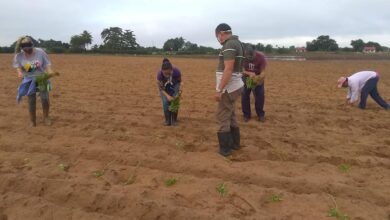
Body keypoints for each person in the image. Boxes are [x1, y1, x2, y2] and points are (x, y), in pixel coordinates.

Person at [214, 23, 244, 156]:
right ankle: (235, 144)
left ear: (221, 33)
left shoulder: (229, 45)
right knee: (230, 114)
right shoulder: (237, 43)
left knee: (222, 116)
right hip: (235, 85)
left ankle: (225, 149)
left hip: (229, 87)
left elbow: (229, 69)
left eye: (217, 37)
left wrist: (219, 89)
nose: (218, 40)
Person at [13, 36, 56, 127]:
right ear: (22, 48)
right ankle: (32, 121)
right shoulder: (19, 55)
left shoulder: (40, 52)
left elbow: (47, 64)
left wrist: (50, 72)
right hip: (28, 79)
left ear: (32, 45)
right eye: (25, 49)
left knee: (45, 98)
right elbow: (18, 66)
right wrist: (20, 73)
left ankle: (46, 117)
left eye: (29, 48)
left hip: (41, 77)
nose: (28, 50)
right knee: (31, 100)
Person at [242, 44, 267, 122]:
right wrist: (249, 73)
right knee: (245, 95)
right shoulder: (242, 57)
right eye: (248, 55)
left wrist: (258, 78)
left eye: (251, 56)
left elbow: (263, 72)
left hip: (257, 79)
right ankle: (246, 115)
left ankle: (260, 114)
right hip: (247, 78)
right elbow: (240, 70)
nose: (249, 58)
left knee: (260, 96)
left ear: (255, 52)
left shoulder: (261, 57)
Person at [156, 58, 182, 126]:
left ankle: (174, 120)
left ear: (172, 70)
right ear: (162, 71)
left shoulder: (177, 71)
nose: (167, 75)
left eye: (169, 73)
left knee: (175, 102)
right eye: (165, 73)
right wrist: (167, 96)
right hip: (164, 88)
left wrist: (178, 94)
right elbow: (160, 88)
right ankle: (167, 121)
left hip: (174, 85)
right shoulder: (159, 74)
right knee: (165, 103)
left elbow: (179, 83)